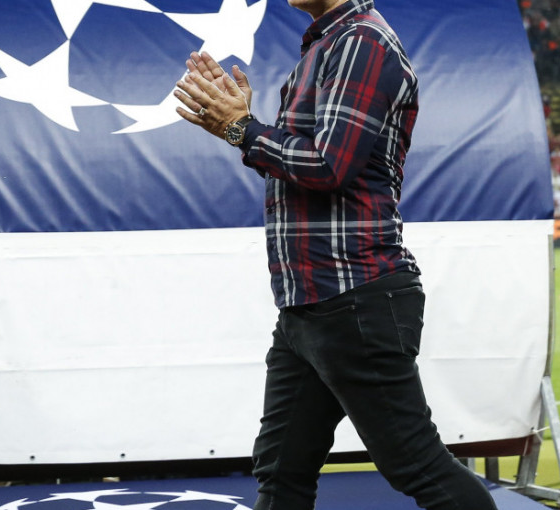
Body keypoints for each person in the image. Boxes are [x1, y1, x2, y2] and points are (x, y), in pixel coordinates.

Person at [173, 1, 499, 509]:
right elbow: (306, 165)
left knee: (416, 464)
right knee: (280, 470)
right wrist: (241, 127)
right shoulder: (331, 42)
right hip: (314, 301)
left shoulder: (360, 41)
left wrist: (244, 128)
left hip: (353, 295)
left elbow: (328, 166)